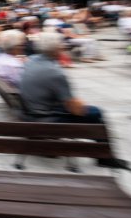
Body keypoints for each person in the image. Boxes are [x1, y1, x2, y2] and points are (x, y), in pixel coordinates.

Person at [18, 31, 120, 167]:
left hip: (29, 111)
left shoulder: (32, 60)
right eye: (62, 44)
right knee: (95, 113)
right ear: (57, 49)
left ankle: (104, 155)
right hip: (45, 117)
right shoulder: (54, 72)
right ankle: (104, 157)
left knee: (90, 111)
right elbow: (76, 109)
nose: (64, 46)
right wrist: (79, 104)